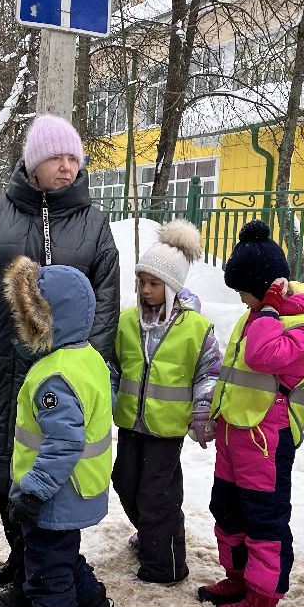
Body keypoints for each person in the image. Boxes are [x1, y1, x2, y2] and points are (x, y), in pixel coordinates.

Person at [0, 115, 118, 607]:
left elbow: (105, 299)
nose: (66, 167)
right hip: (0, 366)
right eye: (56, 158)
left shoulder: (92, 223)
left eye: (73, 159)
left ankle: (46, 571)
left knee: (51, 469)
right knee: (6, 467)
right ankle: (21, 563)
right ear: (33, 162)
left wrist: (94, 364)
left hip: (60, 376)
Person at [196, 221, 304, 607]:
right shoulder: (258, 316)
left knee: (263, 520)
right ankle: (239, 580)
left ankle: (262, 601)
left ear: (263, 287)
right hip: (234, 437)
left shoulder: (300, 328)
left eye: (244, 291)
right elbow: (233, 372)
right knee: (227, 510)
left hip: (265, 442)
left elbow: (260, 357)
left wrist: (271, 311)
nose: (240, 300)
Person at [0, 257, 128, 607]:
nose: (24, 327)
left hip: (55, 492)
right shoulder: (85, 356)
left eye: (30, 318)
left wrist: (34, 490)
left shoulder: (54, 375)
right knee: (65, 558)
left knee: (47, 568)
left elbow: (63, 441)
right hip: (77, 488)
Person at [110, 220, 222, 584]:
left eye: (154, 283)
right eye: (142, 281)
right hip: (130, 421)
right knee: (125, 481)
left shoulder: (194, 327)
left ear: (172, 286)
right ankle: (150, 534)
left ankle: (166, 565)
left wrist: (203, 411)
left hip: (167, 427)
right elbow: (113, 367)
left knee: (158, 494)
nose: (145, 289)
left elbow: (210, 371)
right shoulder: (127, 322)